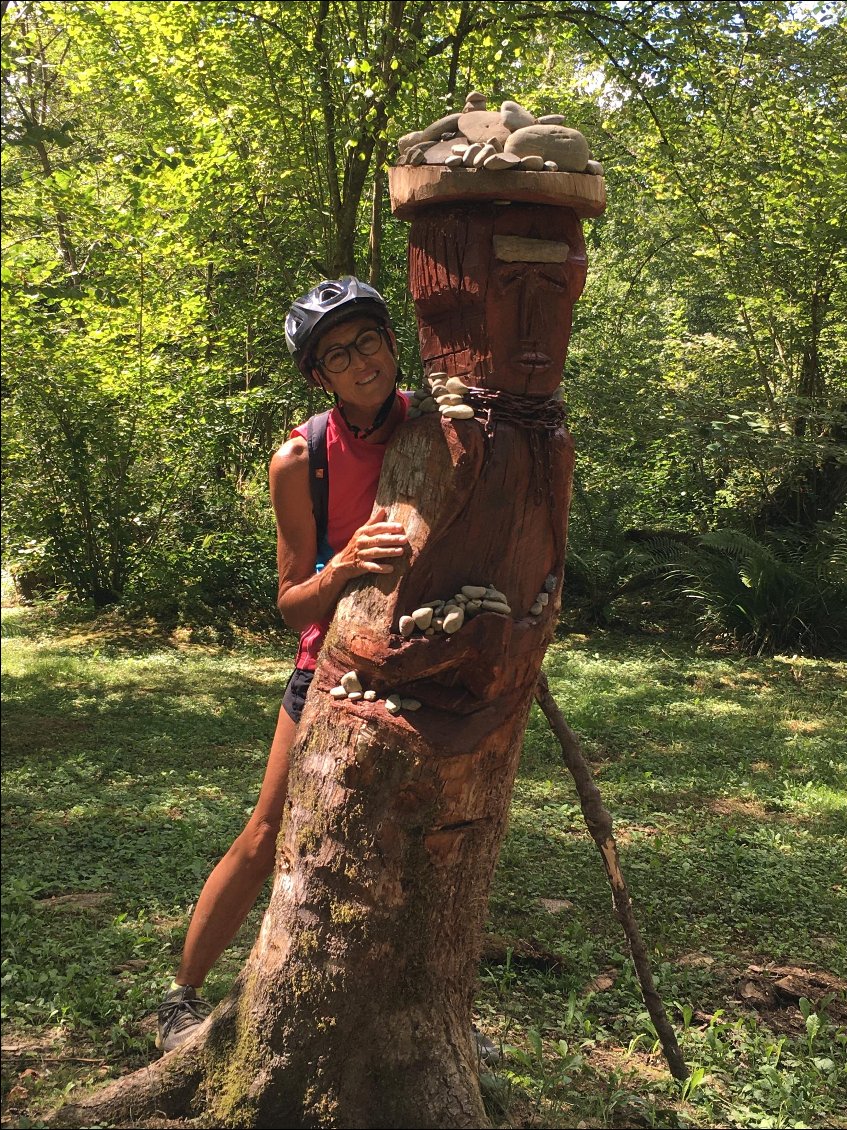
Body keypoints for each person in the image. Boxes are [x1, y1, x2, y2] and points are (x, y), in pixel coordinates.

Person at [156, 277, 410, 1053]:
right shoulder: (301, 458)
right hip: (328, 661)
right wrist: (345, 567)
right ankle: (180, 998)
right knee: (268, 831)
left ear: (393, 343)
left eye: (368, 340)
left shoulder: (437, 426)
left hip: (422, 662)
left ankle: (421, 1017)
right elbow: (293, 602)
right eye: (338, 354)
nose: (361, 360)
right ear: (318, 376)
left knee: (417, 845)